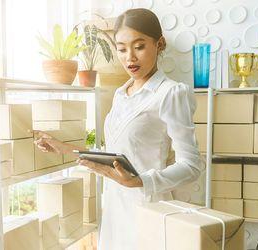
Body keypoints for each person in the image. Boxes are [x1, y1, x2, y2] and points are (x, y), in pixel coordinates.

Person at [34, 8, 203, 250]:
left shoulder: (170, 94)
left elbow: (192, 166)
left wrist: (140, 181)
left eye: (139, 46)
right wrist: (66, 149)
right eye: (122, 49)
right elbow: (114, 156)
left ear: (160, 44)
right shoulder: (120, 95)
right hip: (114, 211)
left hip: (148, 210)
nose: (129, 58)